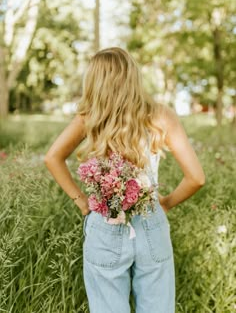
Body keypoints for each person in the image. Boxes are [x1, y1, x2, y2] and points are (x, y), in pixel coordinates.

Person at [44, 47, 205, 313]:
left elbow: (52, 157)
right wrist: (164, 204)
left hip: (105, 221)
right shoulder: (161, 116)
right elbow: (196, 178)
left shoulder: (90, 117)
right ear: (133, 77)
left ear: (94, 81)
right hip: (151, 220)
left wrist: (83, 203)